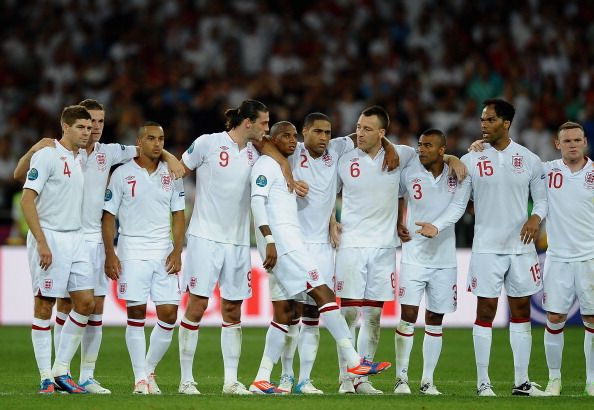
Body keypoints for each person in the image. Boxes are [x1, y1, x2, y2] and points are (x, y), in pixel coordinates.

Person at [13, 99, 184, 394]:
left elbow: (147, 145)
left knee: (93, 308)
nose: (94, 128)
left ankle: (85, 374)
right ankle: (51, 373)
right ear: (73, 125)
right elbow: (20, 178)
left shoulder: (107, 152)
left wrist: (170, 157)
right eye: (88, 122)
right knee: (58, 304)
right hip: (61, 234)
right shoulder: (57, 152)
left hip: (87, 239)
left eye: (100, 122)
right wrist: (33, 149)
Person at [416, 99, 549, 396]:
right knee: (485, 311)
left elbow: (541, 199)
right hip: (487, 248)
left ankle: (522, 382)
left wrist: (535, 218)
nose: (483, 125)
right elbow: (459, 204)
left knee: (521, 311)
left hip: (521, 247)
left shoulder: (529, 159)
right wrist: (437, 225)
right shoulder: (472, 160)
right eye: (482, 120)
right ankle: (483, 383)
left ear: (506, 123)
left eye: (489, 120)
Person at [249, 121, 391, 394]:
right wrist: (267, 240)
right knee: (314, 300)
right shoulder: (272, 163)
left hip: (306, 245)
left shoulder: (326, 152)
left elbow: (364, 134)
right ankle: (349, 362)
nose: (291, 141)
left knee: (293, 314)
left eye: (328, 132)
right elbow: (257, 196)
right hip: (287, 244)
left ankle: (270, 379)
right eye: (287, 136)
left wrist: (385, 143)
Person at [334, 105, 465, 394]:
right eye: (358, 126)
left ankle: (362, 379)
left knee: (373, 316)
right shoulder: (343, 156)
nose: (360, 132)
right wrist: (332, 221)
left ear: (382, 133)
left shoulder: (404, 155)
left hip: (383, 248)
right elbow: (328, 193)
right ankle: (346, 379)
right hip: (352, 244)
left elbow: (432, 157)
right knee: (348, 315)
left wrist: (454, 157)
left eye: (368, 128)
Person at [178, 99, 295, 395]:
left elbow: (275, 154)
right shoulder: (208, 143)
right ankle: (185, 379)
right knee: (198, 305)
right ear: (248, 123)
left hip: (239, 241)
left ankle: (231, 381)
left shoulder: (258, 153)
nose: (267, 130)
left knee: (232, 309)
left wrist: (283, 164)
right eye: (264, 124)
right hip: (204, 236)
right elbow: (178, 170)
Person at [102, 122, 185, 395]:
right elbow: (108, 216)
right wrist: (110, 253)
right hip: (132, 251)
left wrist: (177, 249)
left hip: (163, 251)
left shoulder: (172, 173)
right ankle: (140, 379)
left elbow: (179, 214)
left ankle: (148, 370)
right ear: (139, 141)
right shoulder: (122, 173)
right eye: (151, 138)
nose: (157, 143)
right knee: (136, 314)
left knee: (169, 315)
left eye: (161, 138)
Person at [21, 105, 95, 394]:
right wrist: (41, 241)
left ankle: (61, 370)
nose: (86, 133)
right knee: (44, 305)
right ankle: (44, 378)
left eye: (89, 128)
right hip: (50, 237)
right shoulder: (48, 155)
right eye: (81, 127)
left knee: (86, 303)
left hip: (76, 238)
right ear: (65, 127)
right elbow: (26, 200)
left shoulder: (79, 159)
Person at [394, 129, 465, 396]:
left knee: (435, 318)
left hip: (445, 259)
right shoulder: (409, 170)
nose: (421, 149)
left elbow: (458, 207)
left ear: (441, 149)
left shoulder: (458, 174)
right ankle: (401, 379)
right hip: (413, 255)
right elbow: (395, 195)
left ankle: (427, 380)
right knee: (408, 316)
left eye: (428, 145)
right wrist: (398, 222)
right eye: (420, 144)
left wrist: (437, 226)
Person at [538, 122, 593, 396]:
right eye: (567, 140)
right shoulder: (547, 171)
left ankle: (592, 381)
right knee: (555, 316)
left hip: (590, 257)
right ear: (557, 144)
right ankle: (554, 379)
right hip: (558, 258)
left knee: (592, 319)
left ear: (585, 142)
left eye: (577, 139)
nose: (573, 144)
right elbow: (511, 167)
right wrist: (479, 149)